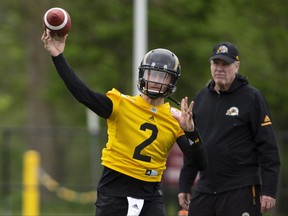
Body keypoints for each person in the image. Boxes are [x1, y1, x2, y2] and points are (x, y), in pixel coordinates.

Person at [41, 29, 207, 216]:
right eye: (151, 74)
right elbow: (82, 94)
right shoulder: (121, 104)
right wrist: (58, 57)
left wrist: (192, 132)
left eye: (162, 76)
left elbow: (200, 162)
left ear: (172, 81)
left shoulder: (176, 118)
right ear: (143, 74)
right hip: (115, 188)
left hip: (150, 193)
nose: (155, 81)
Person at [178, 41, 281, 216]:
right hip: (206, 188)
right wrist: (185, 183)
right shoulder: (202, 98)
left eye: (225, 64)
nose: (219, 68)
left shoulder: (252, 98)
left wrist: (269, 190)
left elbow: (268, 147)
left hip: (240, 188)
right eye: (215, 63)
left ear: (237, 66)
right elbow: (194, 145)